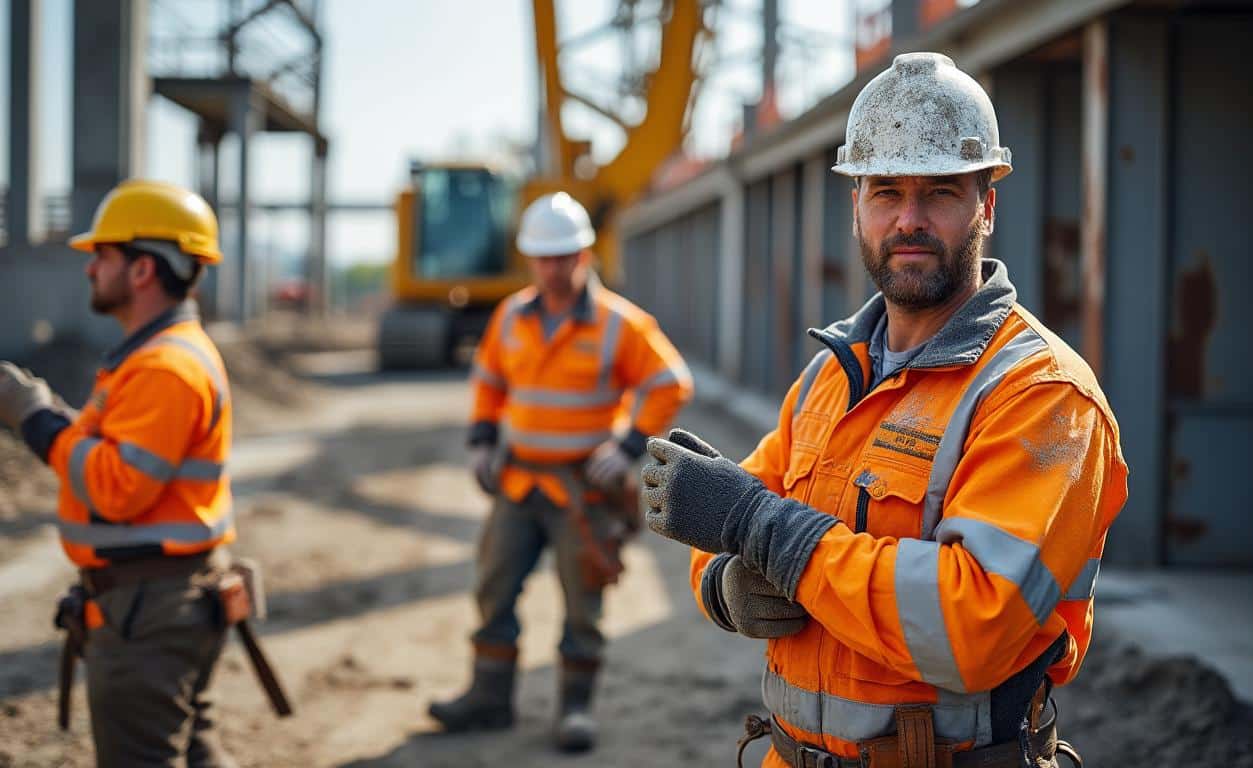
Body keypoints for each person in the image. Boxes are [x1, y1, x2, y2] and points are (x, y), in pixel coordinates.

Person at [641, 52, 1128, 768]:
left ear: (985, 206)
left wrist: (762, 531)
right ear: (856, 205)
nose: (909, 219)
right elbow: (736, 522)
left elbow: (970, 626)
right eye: (886, 191)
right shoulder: (830, 378)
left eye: (940, 192)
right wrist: (725, 586)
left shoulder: (1040, 396)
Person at [429, 191, 694, 752]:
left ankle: (574, 709)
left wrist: (626, 447)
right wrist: (481, 441)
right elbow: (489, 381)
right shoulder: (511, 316)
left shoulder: (620, 323)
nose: (553, 268)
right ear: (530, 259)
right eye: (543, 258)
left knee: (583, 599)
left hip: (583, 491)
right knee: (493, 587)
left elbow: (670, 382)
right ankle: (489, 698)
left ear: (585, 255)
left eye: (563, 257)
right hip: (519, 481)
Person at [0, 179, 244, 767]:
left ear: (141, 270)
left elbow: (116, 488)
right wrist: (53, 415)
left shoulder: (165, 367)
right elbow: (107, 449)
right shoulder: (153, 358)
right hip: (162, 601)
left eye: (102, 256)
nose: (88, 270)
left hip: (150, 612)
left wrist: (31, 418)